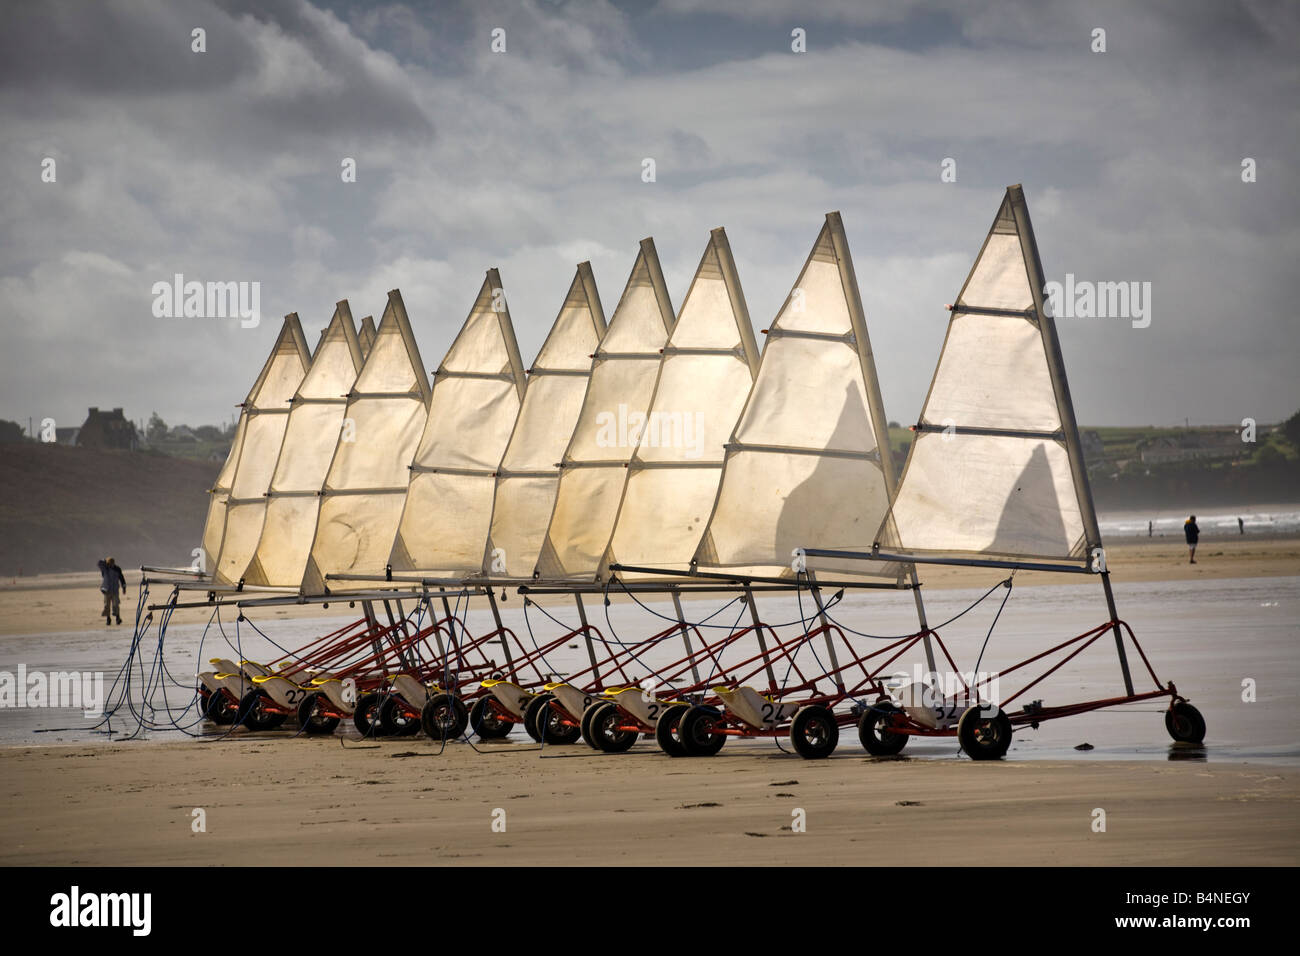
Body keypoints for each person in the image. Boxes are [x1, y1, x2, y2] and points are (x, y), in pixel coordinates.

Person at [98, 556, 127, 626]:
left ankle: (118, 618)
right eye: (110, 563)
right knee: (107, 605)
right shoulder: (105, 569)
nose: (112, 564)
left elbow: (122, 578)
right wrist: (105, 560)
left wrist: (124, 587)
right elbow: (99, 563)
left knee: (116, 605)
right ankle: (108, 619)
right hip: (106, 590)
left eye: (112, 563)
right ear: (108, 563)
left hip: (115, 590)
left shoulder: (117, 569)